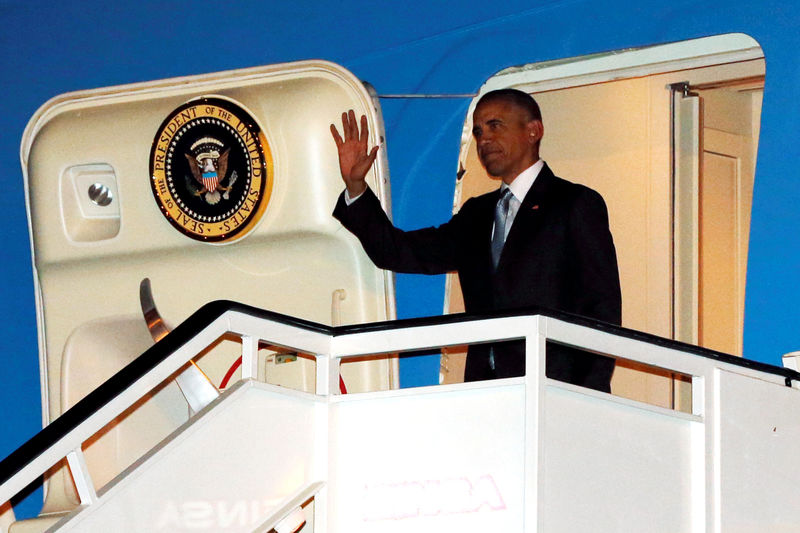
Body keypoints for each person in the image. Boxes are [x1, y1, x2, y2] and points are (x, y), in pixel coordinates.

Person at [330, 89, 621, 392]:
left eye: (495, 126)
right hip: (485, 393)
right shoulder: (476, 214)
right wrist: (356, 186)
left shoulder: (574, 203)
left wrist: (587, 395)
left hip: (556, 389)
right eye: (479, 131)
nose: (484, 140)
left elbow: (602, 309)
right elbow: (397, 251)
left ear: (533, 130)